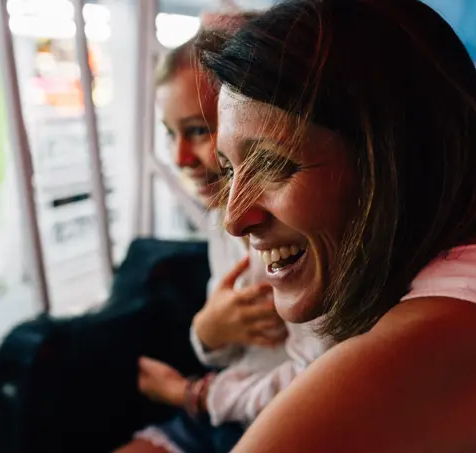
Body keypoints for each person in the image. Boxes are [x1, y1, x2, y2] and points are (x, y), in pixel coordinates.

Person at [200, 1, 476, 451]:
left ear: (396, 163)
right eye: (229, 170)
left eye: (274, 164)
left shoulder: (432, 348)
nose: (234, 218)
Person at [116, 13, 332, 453]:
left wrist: (190, 394)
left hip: (257, 415)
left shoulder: (303, 232)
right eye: (169, 134)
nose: (179, 157)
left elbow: (320, 378)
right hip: (225, 410)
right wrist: (207, 332)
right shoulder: (224, 221)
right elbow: (233, 342)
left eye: (197, 130)